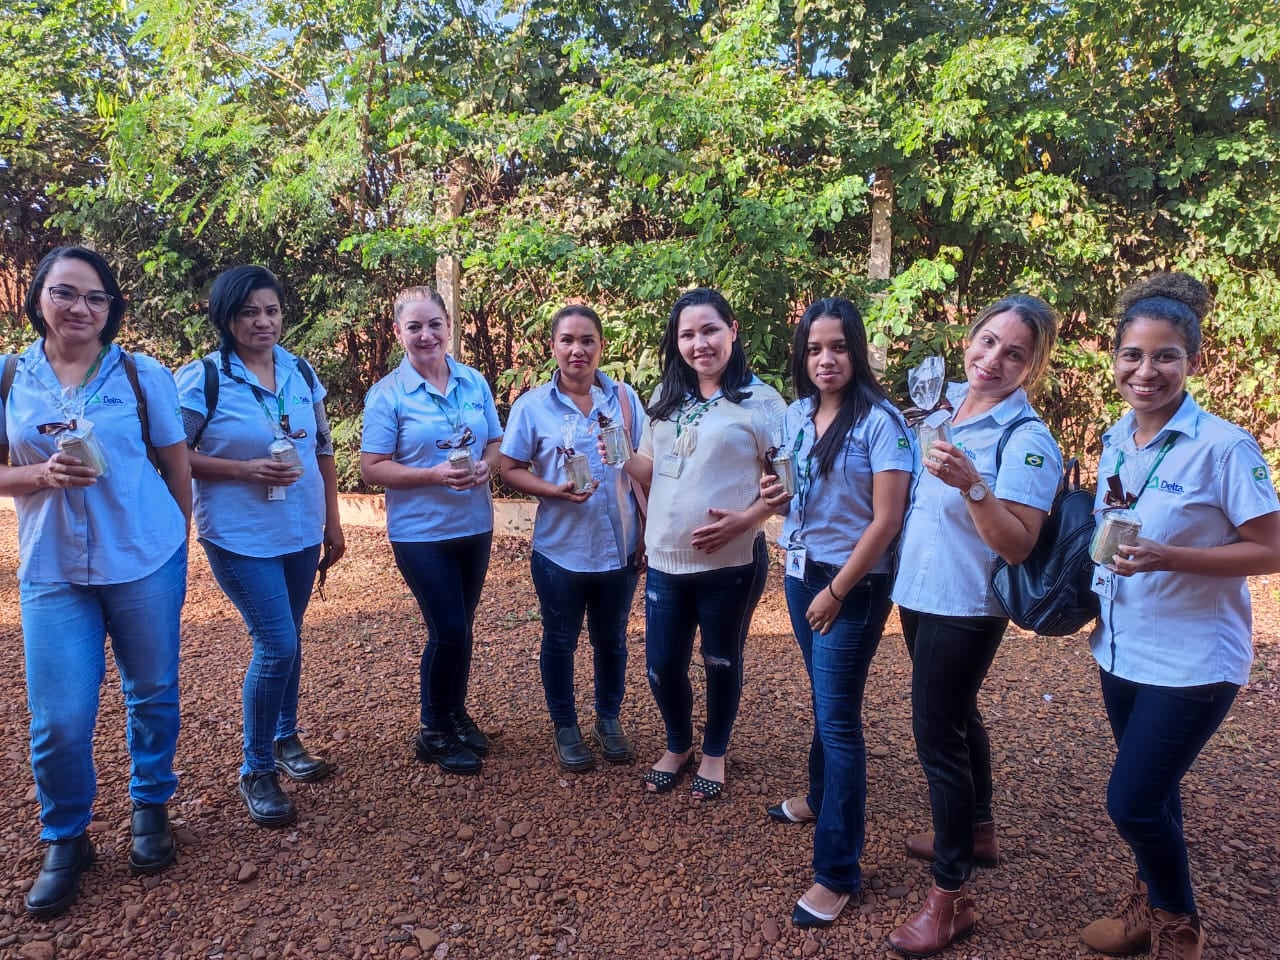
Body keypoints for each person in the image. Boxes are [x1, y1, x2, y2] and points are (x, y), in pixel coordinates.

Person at [1078, 273, 1280, 960]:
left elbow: (1271, 549)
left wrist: (1171, 557)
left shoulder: (1224, 447)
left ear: (1191, 360)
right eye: (1132, 355)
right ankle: (1150, 900)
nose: (1146, 371)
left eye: (1165, 356)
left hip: (1193, 660)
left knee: (1131, 802)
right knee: (1157, 794)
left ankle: (1177, 926)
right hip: (1121, 648)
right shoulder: (1115, 439)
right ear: (1114, 359)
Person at [0, 246, 191, 917]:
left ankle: (151, 805)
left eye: (96, 297)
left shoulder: (141, 374)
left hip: (144, 556)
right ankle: (66, 837)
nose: (80, 308)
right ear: (39, 298)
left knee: (153, 690)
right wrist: (38, 475)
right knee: (59, 718)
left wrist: (179, 539)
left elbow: (176, 464)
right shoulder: (9, 376)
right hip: (53, 568)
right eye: (65, 293)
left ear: (111, 308)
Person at [888, 294, 1062, 958]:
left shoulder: (1028, 440)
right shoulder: (945, 403)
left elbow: (1017, 545)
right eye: (987, 341)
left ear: (1032, 367)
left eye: (1014, 353)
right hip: (920, 589)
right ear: (969, 338)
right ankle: (978, 831)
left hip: (964, 603)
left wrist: (972, 485)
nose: (993, 360)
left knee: (937, 738)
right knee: (960, 717)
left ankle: (951, 895)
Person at [759, 297, 913, 928]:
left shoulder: (882, 421)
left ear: (858, 351)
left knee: (839, 720)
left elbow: (887, 520)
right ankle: (819, 798)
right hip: (802, 574)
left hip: (852, 585)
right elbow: (794, 495)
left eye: (839, 347)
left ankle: (838, 872)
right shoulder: (797, 414)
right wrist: (776, 498)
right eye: (815, 348)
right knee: (825, 699)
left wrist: (839, 590)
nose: (826, 359)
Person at [176, 265, 344, 829]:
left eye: (271, 310)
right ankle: (256, 769)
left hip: (300, 530)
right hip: (239, 535)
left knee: (290, 638)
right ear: (226, 318)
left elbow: (323, 448)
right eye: (249, 312)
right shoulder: (204, 379)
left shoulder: (300, 371)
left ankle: (285, 737)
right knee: (276, 644)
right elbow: (172, 453)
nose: (263, 321)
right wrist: (243, 469)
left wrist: (333, 522)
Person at [617, 287, 785, 800]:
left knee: (720, 660)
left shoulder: (762, 402)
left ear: (732, 330)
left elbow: (787, 485)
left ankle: (714, 751)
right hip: (666, 558)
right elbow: (650, 469)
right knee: (662, 665)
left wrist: (744, 522)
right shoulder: (668, 398)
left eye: (710, 330)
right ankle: (678, 745)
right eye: (687, 334)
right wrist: (617, 451)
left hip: (730, 563)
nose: (699, 344)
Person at [360, 286, 502, 776]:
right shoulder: (388, 395)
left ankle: (455, 714)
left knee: (463, 627)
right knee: (449, 630)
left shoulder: (472, 380)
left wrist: (485, 466)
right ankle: (432, 731)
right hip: (421, 533)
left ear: (449, 327)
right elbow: (372, 468)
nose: (426, 335)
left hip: (474, 524)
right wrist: (433, 475)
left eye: (434, 324)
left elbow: (496, 442)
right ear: (398, 333)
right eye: (415, 327)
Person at [499, 304, 644, 772]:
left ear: (601, 346)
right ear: (553, 347)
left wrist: (645, 533)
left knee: (612, 640)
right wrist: (551, 490)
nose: (577, 349)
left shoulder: (623, 400)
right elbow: (509, 469)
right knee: (560, 640)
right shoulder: (532, 407)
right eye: (567, 340)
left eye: (587, 340)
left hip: (619, 546)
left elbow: (644, 468)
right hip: (560, 549)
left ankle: (608, 718)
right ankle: (565, 724)